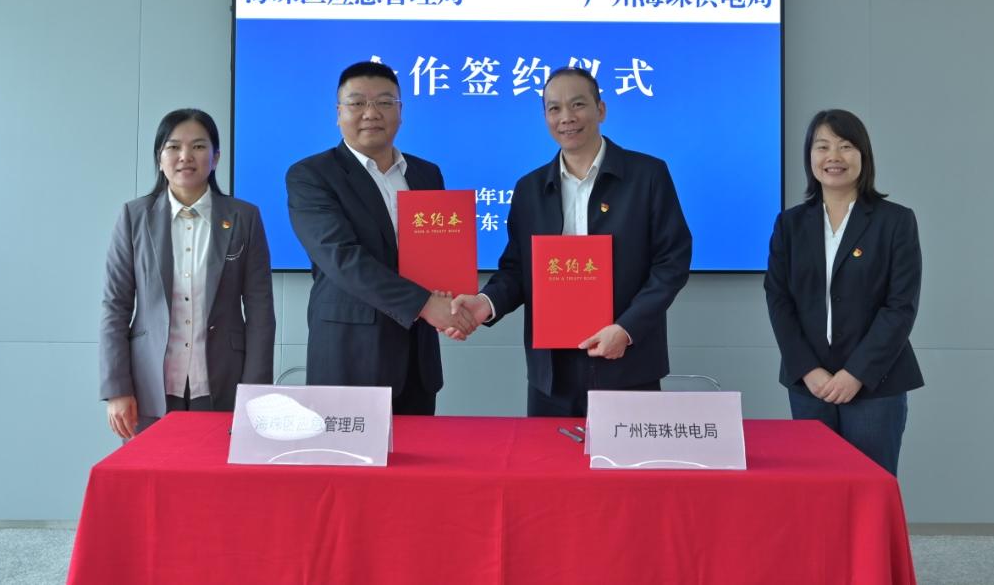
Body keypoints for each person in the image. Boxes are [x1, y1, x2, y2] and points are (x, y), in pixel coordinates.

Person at [450, 66, 692, 417]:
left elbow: (671, 262)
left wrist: (627, 329)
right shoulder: (529, 189)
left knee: (627, 454)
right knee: (547, 454)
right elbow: (517, 270)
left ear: (601, 109)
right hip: (552, 373)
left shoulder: (647, 175)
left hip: (627, 360)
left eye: (578, 105)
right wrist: (485, 303)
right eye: (554, 108)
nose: (566, 117)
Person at [285, 61, 477, 416]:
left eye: (385, 102)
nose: (371, 113)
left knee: (418, 453)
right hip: (350, 357)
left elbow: (436, 255)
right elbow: (342, 258)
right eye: (357, 103)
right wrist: (425, 305)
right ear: (338, 113)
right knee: (346, 453)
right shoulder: (312, 175)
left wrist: (450, 304)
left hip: (417, 360)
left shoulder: (426, 174)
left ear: (400, 112)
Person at [764, 109, 922, 475]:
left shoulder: (895, 221)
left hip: (875, 385)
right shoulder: (790, 224)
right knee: (815, 489)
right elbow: (778, 299)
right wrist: (808, 369)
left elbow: (900, 306)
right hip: (810, 385)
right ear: (810, 156)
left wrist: (856, 373)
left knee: (868, 487)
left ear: (863, 156)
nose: (833, 156)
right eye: (822, 147)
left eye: (845, 146)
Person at [99, 109, 275, 439]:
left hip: (224, 381)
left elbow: (261, 311)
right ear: (159, 157)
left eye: (198, 146)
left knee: (218, 471)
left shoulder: (244, 217)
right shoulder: (134, 217)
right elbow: (115, 306)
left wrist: (256, 392)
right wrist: (117, 389)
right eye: (173, 147)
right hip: (148, 386)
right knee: (151, 471)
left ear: (216, 157)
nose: (185, 156)